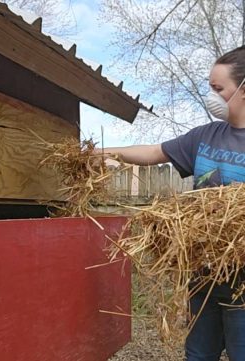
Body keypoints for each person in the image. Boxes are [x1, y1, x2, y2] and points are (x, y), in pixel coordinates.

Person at [100, 45, 245, 361]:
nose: (212, 96)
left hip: (243, 286)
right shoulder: (206, 136)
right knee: (198, 353)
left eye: (218, 89)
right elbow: (154, 152)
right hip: (203, 276)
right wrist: (107, 152)